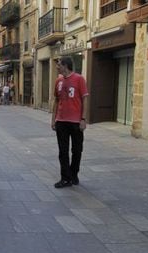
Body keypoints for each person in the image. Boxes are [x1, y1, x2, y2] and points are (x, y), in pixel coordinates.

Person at [51, 56, 89, 188]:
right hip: (61, 121)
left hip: (76, 122)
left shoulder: (79, 79)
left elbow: (84, 100)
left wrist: (83, 119)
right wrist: (53, 119)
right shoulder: (58, 81)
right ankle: (65, 178)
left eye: (59, 64)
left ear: (65, 66)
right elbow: (56, 100)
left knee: (77, 150)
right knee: (63, 151)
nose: (57, 67)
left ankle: (74, 175)